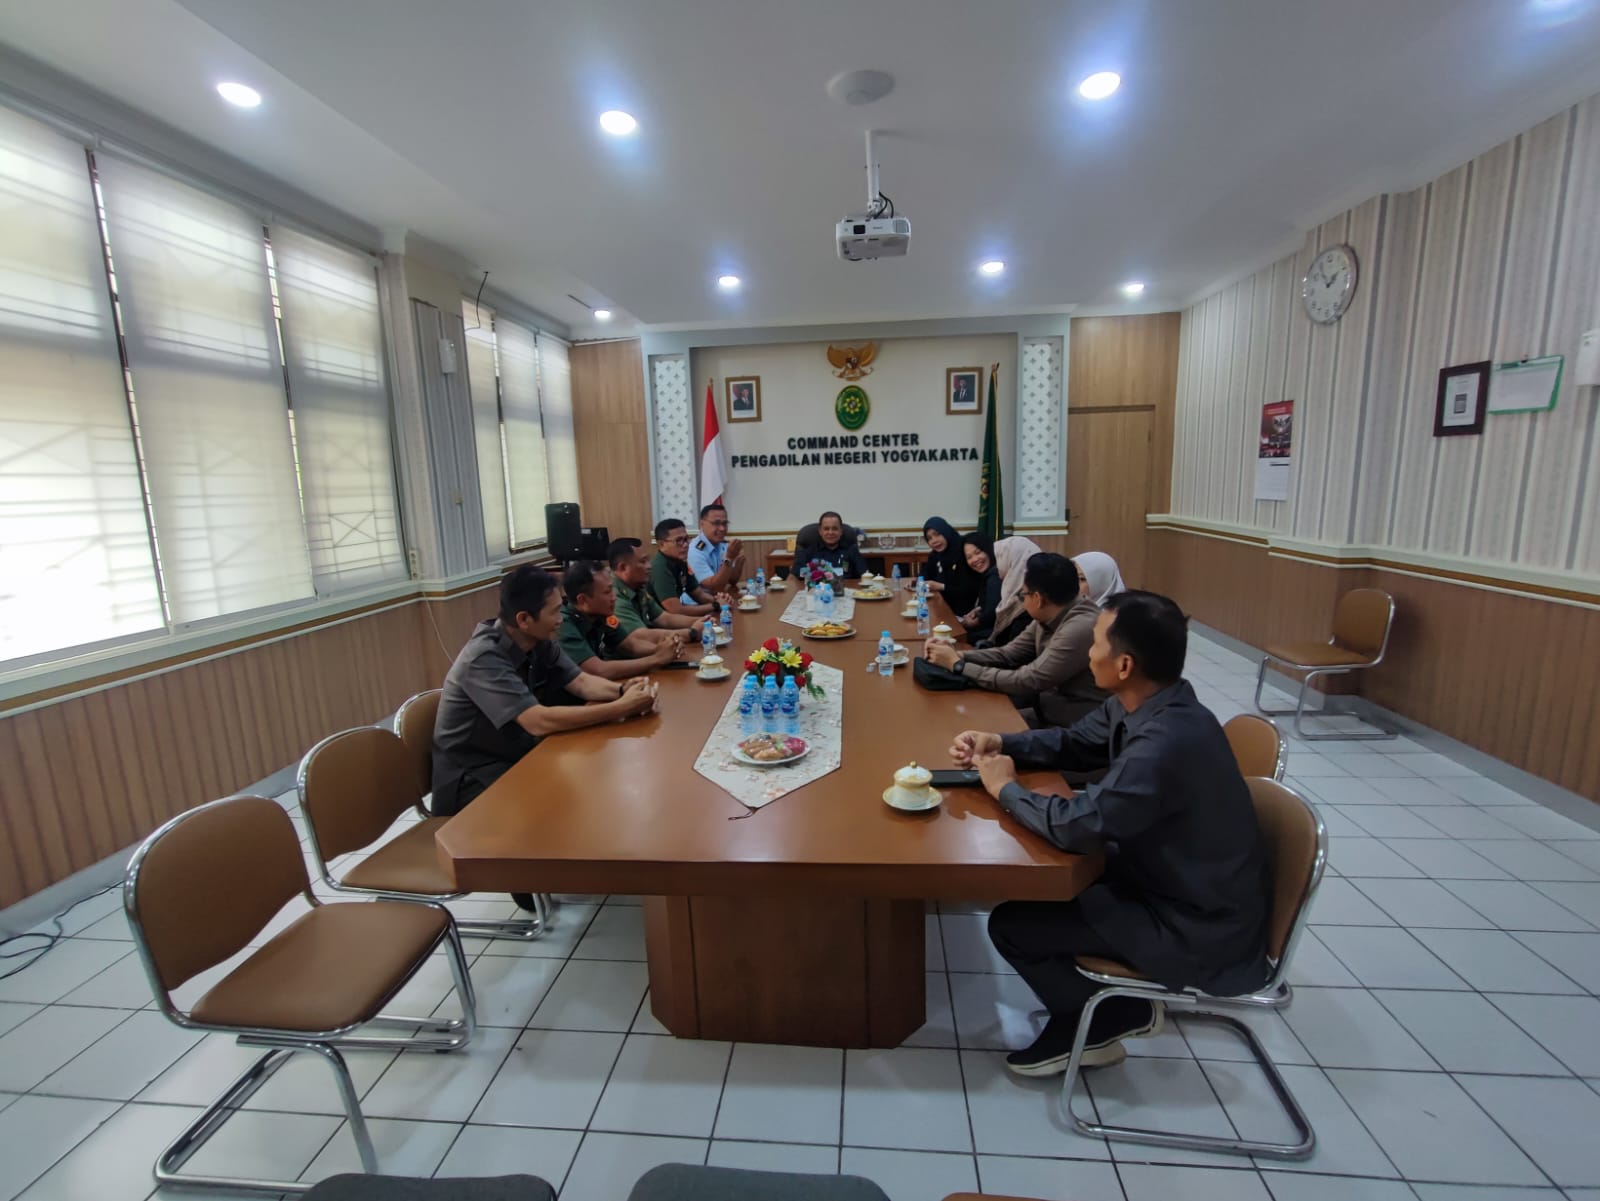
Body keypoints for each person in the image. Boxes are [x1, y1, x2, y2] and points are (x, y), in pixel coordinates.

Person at [948, 590, 1272, 1077]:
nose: (1088, 651)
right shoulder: (1147, 701)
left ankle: (1109, 1019)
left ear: (1124, 664)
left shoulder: (1165, 743)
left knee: (1014, 925)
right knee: (1046, 892)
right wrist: (1001, 742)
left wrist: (1004, 789)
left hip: (1193, 922)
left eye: (1096, 641)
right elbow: (1076, 742)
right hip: (1171, 882)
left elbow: (1078, 828)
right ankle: (1113, 1006)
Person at [432, 565, 658, 907]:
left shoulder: (538, 642)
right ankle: (528, 881)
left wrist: (625, 691)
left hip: (515, 756)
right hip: (472, 778)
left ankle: (570, 861)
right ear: (524, 619)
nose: (560, 618)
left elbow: (581, 682)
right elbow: (537, 721)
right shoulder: (483, 658)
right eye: (554, 611)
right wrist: (619, 707)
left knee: (599, 770)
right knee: (568, 785)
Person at [926, 553, 1107, 727]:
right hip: (1046, 711)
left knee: (975, 728)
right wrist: (958, 655)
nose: (1022, 601)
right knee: (968, 720)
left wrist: (959, 666)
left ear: (1037, 599)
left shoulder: (1079, 628)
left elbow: (1029, 679)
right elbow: (1008, 654)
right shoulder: (1050, 613)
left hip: (1073, 728)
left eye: (1022, 595)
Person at [557, 560, 684, 681]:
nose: (614, 597)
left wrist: (663, 649)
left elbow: (629, 645)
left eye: (612, 589)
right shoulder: (562, 625)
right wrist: (656, 659)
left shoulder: (602, 614)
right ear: (583, 600)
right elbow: (598, 670)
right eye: (607, 592)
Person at [609, 538, 704, 638]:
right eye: (643, 562)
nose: (649, 566)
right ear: (623, 567)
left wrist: (704, 621)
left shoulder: (638, 587)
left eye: (648, 560)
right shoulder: (614, 597)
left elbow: (664, 619)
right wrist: (691, 633)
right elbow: (641, 635)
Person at [649, 518, 733, 617]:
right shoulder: (660, 567)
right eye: (678, 541)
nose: (685, 545)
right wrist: (716, 605)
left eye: (686, 539)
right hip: (656, 622)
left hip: (672, 619)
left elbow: (699, 595)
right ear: (661, 544)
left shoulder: (681, 562)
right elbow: (675, 610)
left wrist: (719, 600)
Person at [981, 535, 1044, 649]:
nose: (998, 565)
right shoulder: (1011, 586)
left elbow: (1014, 653)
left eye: (1000, 558)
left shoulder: (1028, 602)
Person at [688, 503, 747, 594]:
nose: (722, 528)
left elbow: (732, 580)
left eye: (724, 523)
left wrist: (738, 561)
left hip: (718, 599)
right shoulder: (695, 551)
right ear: (702, 524)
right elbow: (715, 587)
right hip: (698, 601)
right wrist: (729, 558)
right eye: (716, 523)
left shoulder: (723, 544)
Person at [956, 533, 1003, 642]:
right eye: (969, 557)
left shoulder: (995, 575)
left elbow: (993, 612)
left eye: (978, 552)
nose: (975, 559)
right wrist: (978, 610)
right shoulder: (986, 574)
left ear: (988, 549)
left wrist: (974, 622)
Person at [794, 511, 869, 578]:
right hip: (817, 587)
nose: (830, 532)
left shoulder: (851, 550)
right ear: (820, 531)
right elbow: (796, 574)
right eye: (826, 529)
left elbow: (864, 574)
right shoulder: (809, 552)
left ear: (841, 531)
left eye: (835, 529)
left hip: (846, 588)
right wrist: (819, 573)